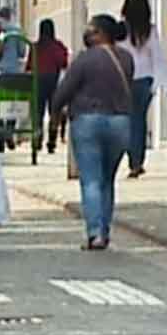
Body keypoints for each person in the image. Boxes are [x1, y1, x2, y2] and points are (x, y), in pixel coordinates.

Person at [54, 14, 135, 249]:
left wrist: (54, 113)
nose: (87, 34)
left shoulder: (84, 60)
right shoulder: (126, 59)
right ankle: (105, 231)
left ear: (102, 33)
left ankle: (95, 233)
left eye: (92, 30)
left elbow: (64, 90)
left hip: (87, 121)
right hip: (120, 122)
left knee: (90, 180)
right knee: (107, 180)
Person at [117, 0, 167, 179]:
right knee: (139, 120)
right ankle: (137, 161)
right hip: (144, 81)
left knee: (127, 120)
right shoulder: (149, 30)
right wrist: (159, 82)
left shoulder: (119, 31)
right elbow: (157, 57)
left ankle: (130, 156)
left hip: (124, 79)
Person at [31, 18, 71, 154]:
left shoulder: (35, 47)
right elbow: (64, 62)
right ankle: (52, 141)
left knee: (38, 112)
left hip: (38, 81)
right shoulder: (58, 46)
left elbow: (29, 66)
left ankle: (37, 137)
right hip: (53, 80)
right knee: (54, 111)